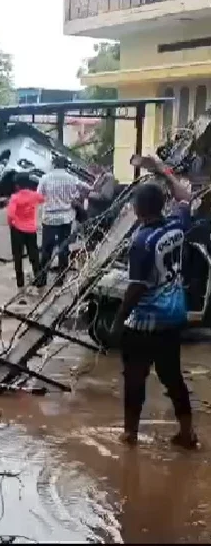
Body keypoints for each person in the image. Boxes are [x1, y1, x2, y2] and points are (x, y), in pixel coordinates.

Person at [110, 155, 197, 449]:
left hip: (145, 322)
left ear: (137, 210)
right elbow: (185, 198)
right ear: (162, 205)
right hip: (174, 317)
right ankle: (187, 435)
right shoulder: (176, 226)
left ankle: (130, 434)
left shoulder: (142, 242)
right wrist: (165, 173)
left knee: (135, 378)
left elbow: (136, 288)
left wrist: (118, 319)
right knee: (173, 378)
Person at [36, 156, 91, 287]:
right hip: (66, 218)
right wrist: (76, 197)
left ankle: (41, 279)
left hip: (49, 218)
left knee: (46, 249)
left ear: (54, 165)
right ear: (65, 165)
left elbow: (38, 197)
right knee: (63, 247)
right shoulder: (71, 178)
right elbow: (87, 187)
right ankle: (60, 279)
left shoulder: (45, 178)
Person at [6, 173, 44, 296]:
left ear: (17, 185)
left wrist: (11, 224)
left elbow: (10, 215)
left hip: (17, 229)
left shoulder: (15, 197)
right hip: (31, 230)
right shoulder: (34, 196)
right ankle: (39, 285)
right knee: (34, 257)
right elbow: (43, 199)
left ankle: (20, 286)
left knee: (18, 257)